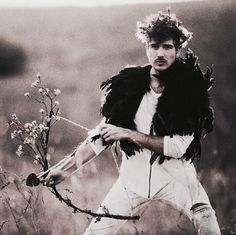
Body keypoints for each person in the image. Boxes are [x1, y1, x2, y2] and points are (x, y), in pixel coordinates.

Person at [43, 10, 221, 235]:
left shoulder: (189, 91)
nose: (160, 53)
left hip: (178, 180)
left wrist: (128, 134)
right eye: (154, 46)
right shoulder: (129, 85)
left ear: (178, 50)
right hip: (131, 183)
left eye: (167, 47)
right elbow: (103, 135)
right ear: (146, 47)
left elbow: (177, 148)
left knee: (208, 223)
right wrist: (64, 170)